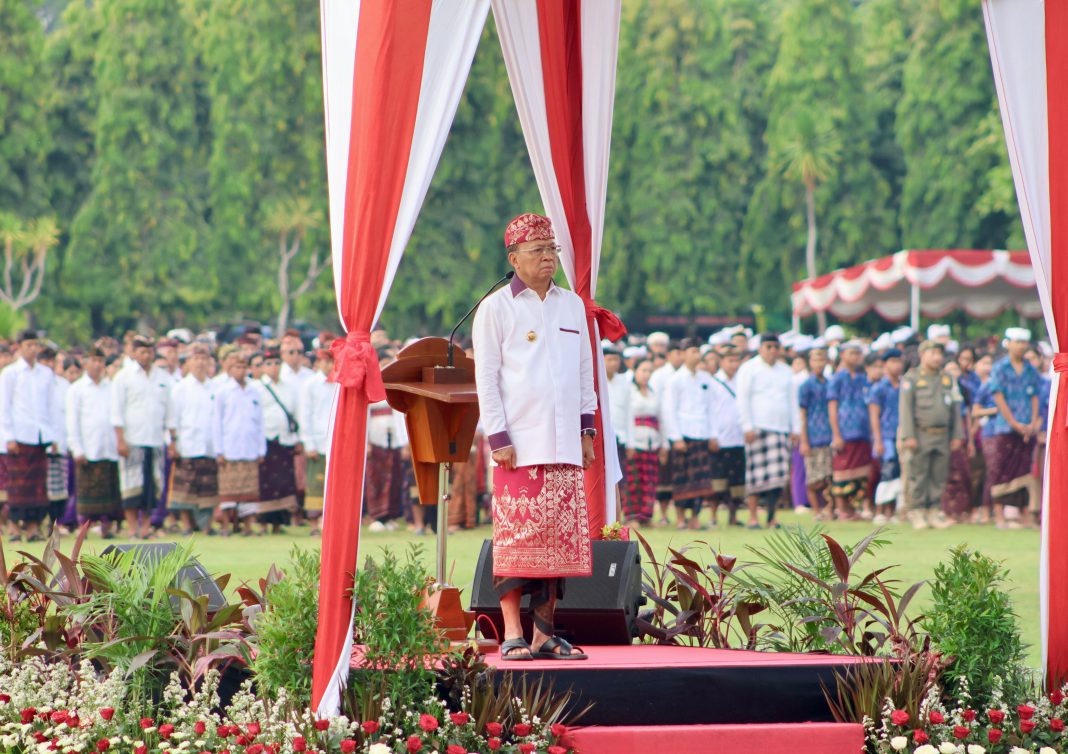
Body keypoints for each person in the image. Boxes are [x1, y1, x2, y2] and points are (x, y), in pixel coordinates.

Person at [472, 212, 594, 661]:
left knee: (558, 543)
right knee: (517, 543)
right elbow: (485, 377)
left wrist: (587, 430)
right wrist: (497, 437)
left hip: (564, 443)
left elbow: (584, 371)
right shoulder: (496, 308)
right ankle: (511, 633)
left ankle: (544, 633)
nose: (548, 258)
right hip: (518, 447)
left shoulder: (572, 305)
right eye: (538, 251)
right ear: (514, 258)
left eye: (552, 250)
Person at [898, 340, 962, 529]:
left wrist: (957, 435)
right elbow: (905, 409)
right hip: (920, 433)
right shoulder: (912, 378)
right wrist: (908, 435)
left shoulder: (946, 378)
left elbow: (956, 408)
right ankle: (917, 511)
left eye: (939, 354)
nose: (937, 357)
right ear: (922, 354)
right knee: (918, 473)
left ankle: (934, 511)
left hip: (942, 434)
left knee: (938, 474)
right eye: (932, 353)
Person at [736, 333, 797, 529]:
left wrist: (795, 427)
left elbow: (792, 401)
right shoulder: (749, 368)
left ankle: (772, 518)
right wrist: (747, 426)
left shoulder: (786, 371)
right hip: (757, 428)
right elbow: (742, 399)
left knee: (777, 477)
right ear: (760, 348)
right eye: (768, 347)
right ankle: (753, 517)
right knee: (755, 476)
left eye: (775, 347)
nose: (772, 351)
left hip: (780, 428)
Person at [111, 336, 169, 539]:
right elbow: (116, 411)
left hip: (155, 439)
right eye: (142, 351)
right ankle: (132, 528)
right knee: (130, 486)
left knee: (152, 487)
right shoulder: (123, 377)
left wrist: (172, 438)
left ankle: (146, 528)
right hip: (132, 439)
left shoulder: (162, 377)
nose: (146, 355)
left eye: (149, 351)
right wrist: (120, 439)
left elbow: (169, 410)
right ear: (134, 353)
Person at [0, 330, 56, 541]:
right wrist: (9, 436)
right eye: (29, 345)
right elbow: (4, 407)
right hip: (19, 435)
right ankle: (14, 528)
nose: (33, 349)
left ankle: (33, 528)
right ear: (19, 347)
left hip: (40, 436)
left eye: (35, 345)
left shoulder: (46, 373)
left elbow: (50, 407)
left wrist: (53, 436)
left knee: (37, 486)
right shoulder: (10, 373)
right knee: (17, 486)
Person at [985, 328, 1042, 529]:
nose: (1021, 346)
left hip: (1028, 428)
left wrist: (1034, 422)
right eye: (1017, 342)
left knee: (1025, 471)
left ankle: (1023, 514)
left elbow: (1036, 396)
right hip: (1006, 427)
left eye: (1024, 342)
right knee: (1002, 470)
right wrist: (1014, 423)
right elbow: (998, 397)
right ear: (1008, 343)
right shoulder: (1000, 368)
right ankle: (999, 515)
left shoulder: (1030, 369)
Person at [662, 337, 716, 530]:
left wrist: (713, 434)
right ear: (683, 354)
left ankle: (695, 518)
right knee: (682, 479)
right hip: (683, 435)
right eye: (692, 351)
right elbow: (669, 410)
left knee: (700, 481)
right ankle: (680, 518)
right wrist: (675, 437)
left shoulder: (705, 378)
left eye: (698, 350)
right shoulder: (675, 380)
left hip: (701, 434)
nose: (696, 354)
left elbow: (711, 408)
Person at [67, 347, 121, 536]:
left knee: (109, 491)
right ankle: (84, 529)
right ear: (86, 363)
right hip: (88, 447)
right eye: (94, 361)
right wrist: (77, 448)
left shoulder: (112, 386)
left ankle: (107, 527)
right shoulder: (77, 389)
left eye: (101, 361)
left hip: (109, 447)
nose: (98, 365)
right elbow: (72, 421)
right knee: (87, 492)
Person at [167, 344, 218, 535]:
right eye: (196, 359)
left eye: (204, 359)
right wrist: (173, 442)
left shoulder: (215, 387)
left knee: (209, 488)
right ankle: (187, 525)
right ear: (188, 362)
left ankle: (207, 526)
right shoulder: (180, 388)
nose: (200, 363)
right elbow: (173, 418)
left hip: (209, 444)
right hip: (186, 442)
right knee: (185, 488)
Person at [213, 352, 265, 534]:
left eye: (243, 367)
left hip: (250, 446)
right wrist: (218, 450)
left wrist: (261, 449)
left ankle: (248, 526)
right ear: (229, 369)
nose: (241, 371)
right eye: (237, 367)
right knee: (229, 490)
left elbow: (260, 422)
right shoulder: (223, 391)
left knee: (249, 490)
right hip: (229, 447)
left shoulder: (254, 391)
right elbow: (216, 422)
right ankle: (226, 525)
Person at [256, 346, 301, 534]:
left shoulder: (290, 387)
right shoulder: (257, 387)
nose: (273, 367)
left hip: (285, 440)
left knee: (283, 482)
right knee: (265, 483)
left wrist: (298, 439)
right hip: (266, 439)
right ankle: (263, 523)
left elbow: (297, 414)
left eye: (276, 363)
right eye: (269, 364)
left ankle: (278, 524)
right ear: (263, 367)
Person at [827, 341, 873, 520]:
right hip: (844, 431)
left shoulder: (863, 378)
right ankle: (842, 509)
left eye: (858, 353)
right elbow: (832, 407)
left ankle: (855, 509)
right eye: (852, 353)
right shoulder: (836, 379)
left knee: (861, 471)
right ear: (843, 355)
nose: (856, 357)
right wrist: (836, 434)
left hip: (862, 431)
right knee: (842, 470)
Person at [365, 351, 408, 531]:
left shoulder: (396, 387)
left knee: (394, 477)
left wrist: (404, 441)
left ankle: (391, 515)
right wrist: (366, 441)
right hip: (375, 438)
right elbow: (364, 415)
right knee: (376, 478)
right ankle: (377, 516)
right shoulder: (368, 386)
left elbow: (401, 415)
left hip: (393, 438)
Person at [298, 346, 337, 536]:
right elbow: (305, 415)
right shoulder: (310, 384)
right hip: (318, 439)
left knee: (335, 484)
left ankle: (331, 523)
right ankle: (314, 525)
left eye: (331, 361)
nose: (328, 365)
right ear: (318, 362)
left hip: (335, 441)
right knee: (315, 483)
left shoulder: (340, 383)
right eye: (325, 361)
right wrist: (309, 443)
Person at [708, 346, 746, 527]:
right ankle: (713, 516)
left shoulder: (742, 381)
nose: (733, 364)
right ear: (721, 362)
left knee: (736, 481)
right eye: (729, 361)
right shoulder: (713, 382)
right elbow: (709, 411)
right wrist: (713, 435)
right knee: (717, 480)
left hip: (738, 437)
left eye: (735, 361)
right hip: (720, 438)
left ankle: (733, 516)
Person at [624, 358, 664, 526]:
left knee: (649, 480)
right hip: (635, 440)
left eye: (649, 371)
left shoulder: (653, 393)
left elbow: (661, 418)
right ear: (635, 372)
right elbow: (626, 418)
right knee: (633, 480)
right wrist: (629, 442)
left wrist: (663, 444)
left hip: (651, 441)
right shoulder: (629, 391)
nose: (646, 374)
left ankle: (646, 516)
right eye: (643, 370)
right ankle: (631, 516)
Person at [867, 348, 904, 524]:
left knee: (899, 472)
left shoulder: (904, 385)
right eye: (892, 362)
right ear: (885, 364)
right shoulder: (879, 388)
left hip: (902, 434)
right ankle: (880, 510)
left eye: (899, 361)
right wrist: (878, 439)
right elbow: (874, 415)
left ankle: (892, 511)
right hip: (886, 435)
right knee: (887, 471)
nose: (897, 366)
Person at [797, 347, 833, 520]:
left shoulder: (830, 383)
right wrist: (803, 440)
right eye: (815, 360)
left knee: (829, 476)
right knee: (813, 478)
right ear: (809, 363)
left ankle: (828, 509)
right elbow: (802, 413)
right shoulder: (805, 386)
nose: (819, 363)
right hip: (812, 435)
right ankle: (816, 511)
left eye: (821, 360)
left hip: (829, 435)